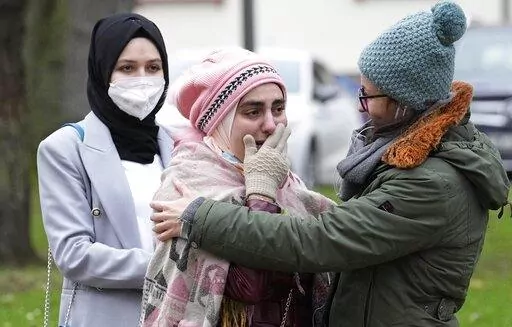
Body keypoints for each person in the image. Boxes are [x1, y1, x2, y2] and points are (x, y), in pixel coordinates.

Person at [149, 2, 511, 326]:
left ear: (405, 100)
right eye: (252, 110)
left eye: (367, 94)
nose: (359, 106)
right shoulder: (189, 178)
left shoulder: (431, 182)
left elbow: (318, 241)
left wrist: (223, 207)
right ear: (219, 119)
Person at [141, 48, 335, 327]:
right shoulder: (188, 185)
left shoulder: (292, 186)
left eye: (278, 109)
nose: (271, 124)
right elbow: (250, 287)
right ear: (219, 120)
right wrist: (260, 194)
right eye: (253, 111)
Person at [37, 13, 171, 327]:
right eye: (127, 68)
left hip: (174, 316)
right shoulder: (65, 148)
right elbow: (74, 255)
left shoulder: (176, 144)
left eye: (153, 67)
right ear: (102, 71)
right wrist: (170, 266)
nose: (142, 78)